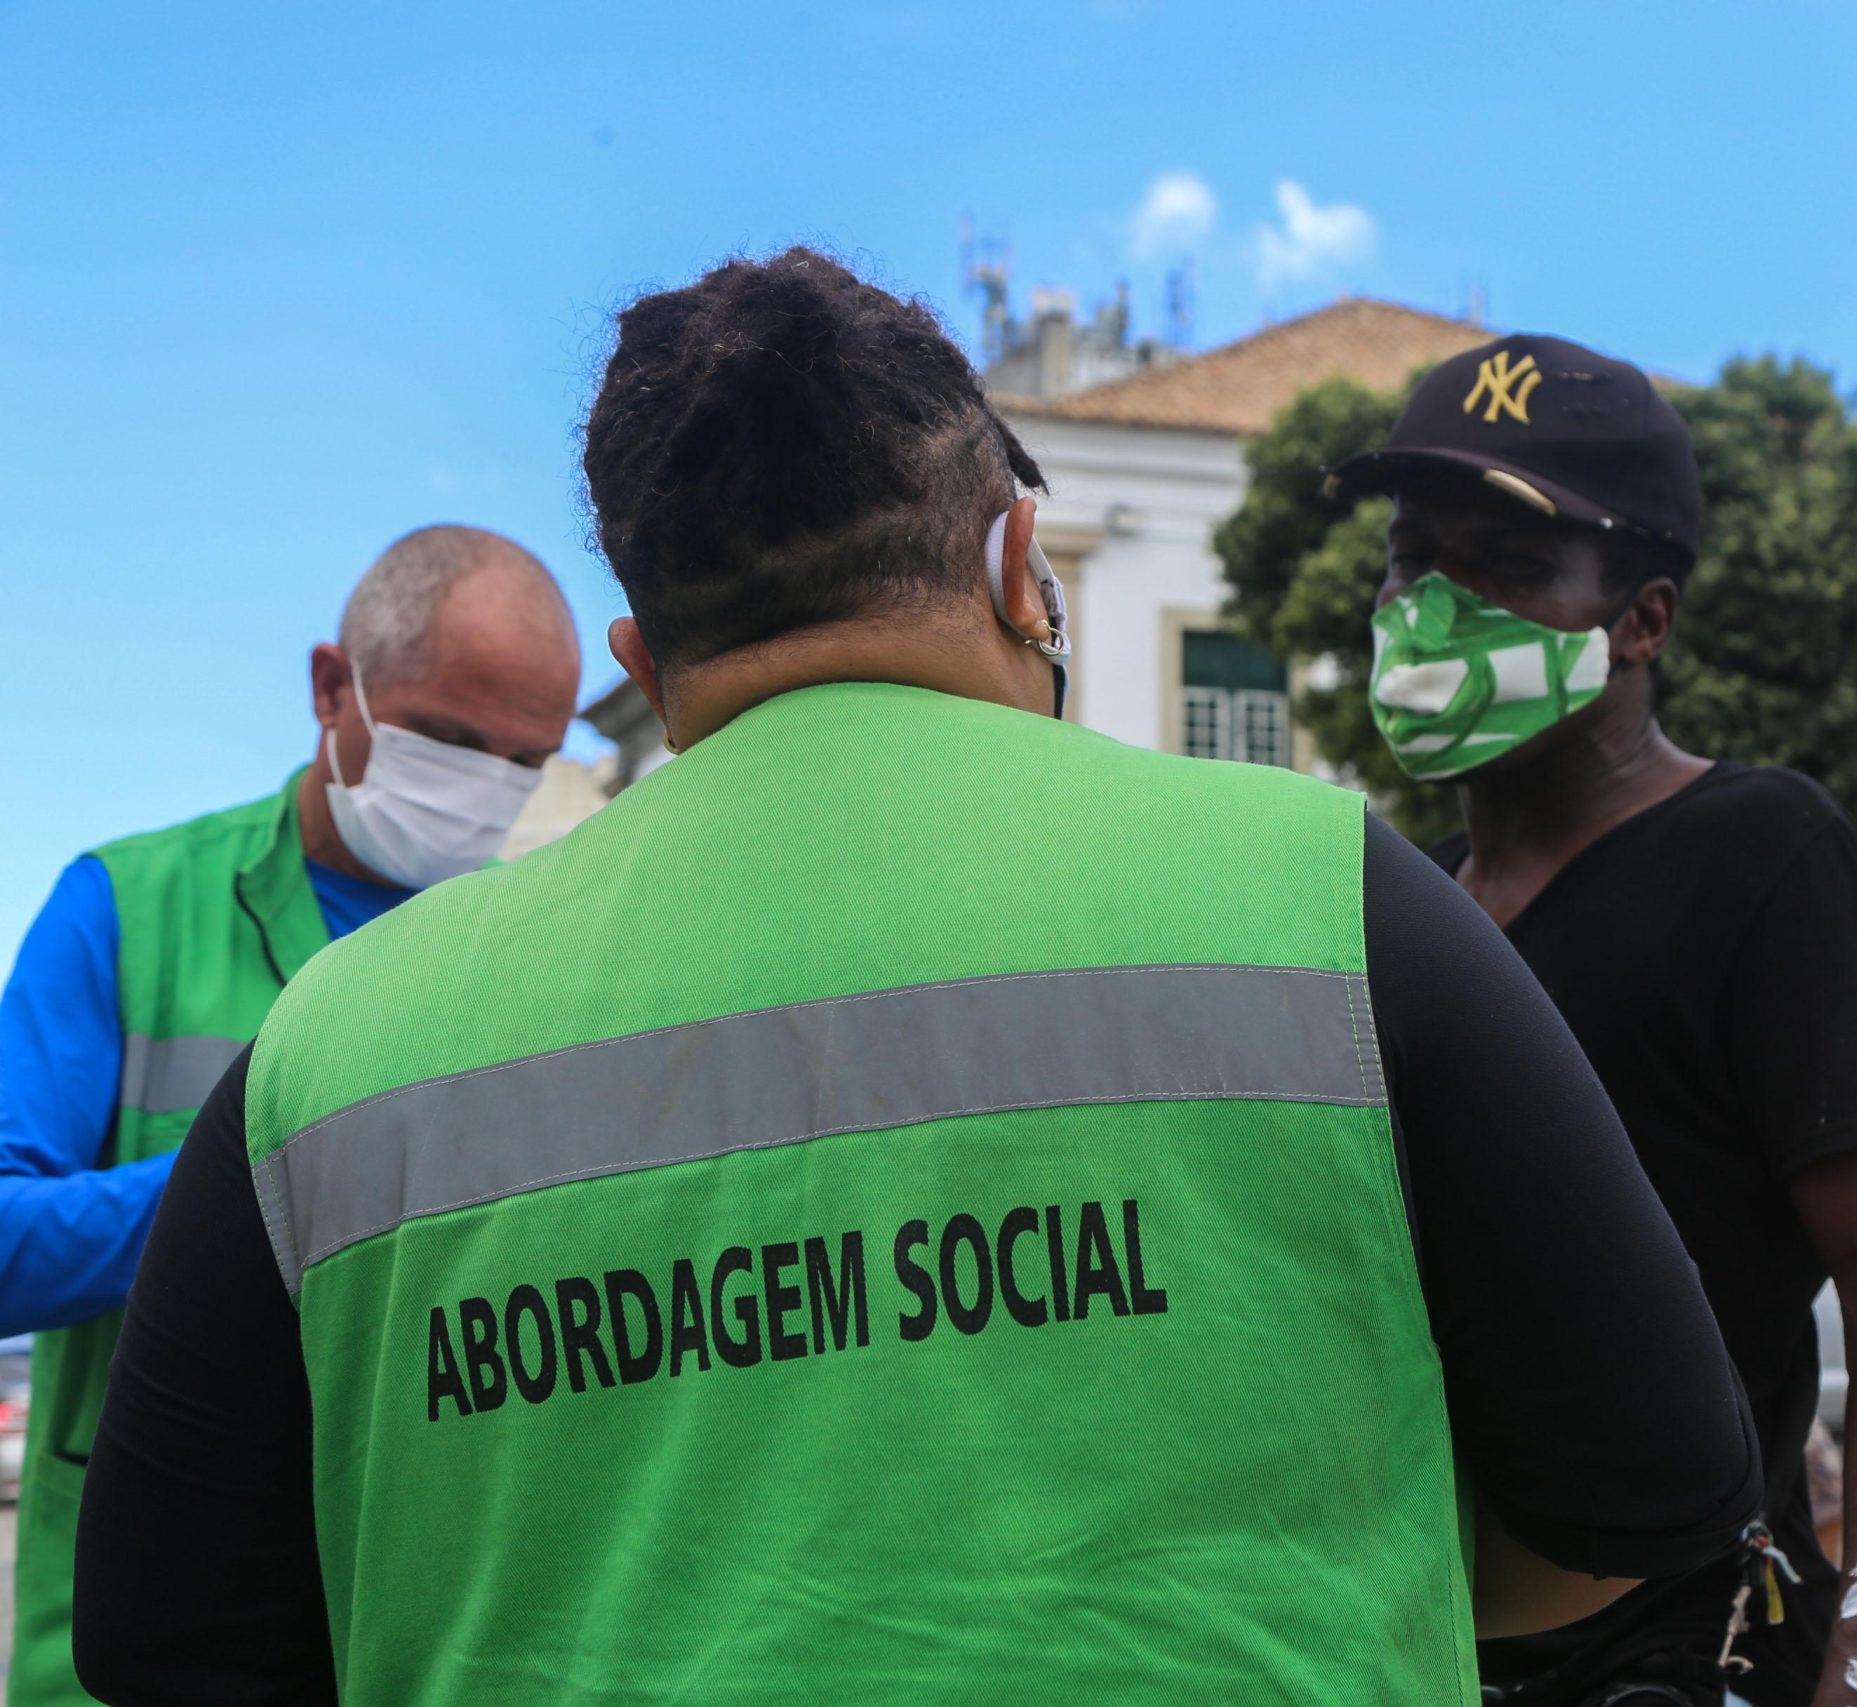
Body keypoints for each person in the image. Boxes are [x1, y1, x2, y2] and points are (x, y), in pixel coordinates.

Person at [73, 250, 1761, 1705]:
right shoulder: (1328, 898)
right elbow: (1661, 1484)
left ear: (648, 658)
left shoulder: (329, 1052)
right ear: (1023, 565)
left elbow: (166, 1640)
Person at [1331, 333, 1857, 1707]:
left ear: (1643, 619)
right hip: (1428, 1655)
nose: (1431, 603)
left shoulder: (1769, 860)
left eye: (1506, 563)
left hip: (1687, 1652)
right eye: (1410, 556)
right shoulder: (1407, 910)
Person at [0, 525, 581, 1706]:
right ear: (331, 688)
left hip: (426, 1627)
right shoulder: (127, 907)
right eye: (449, 741)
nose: (484, 791)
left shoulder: (540, 953)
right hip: (140, 1644)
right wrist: (279, 1181)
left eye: (526, 762)